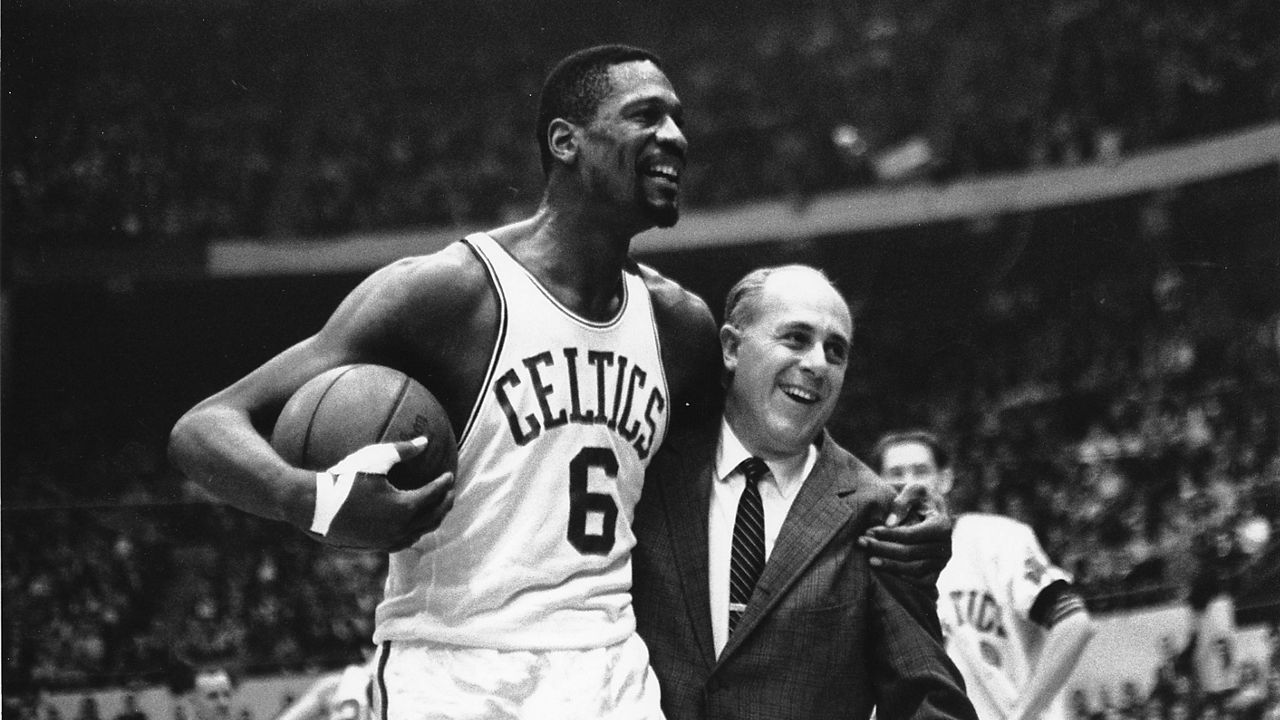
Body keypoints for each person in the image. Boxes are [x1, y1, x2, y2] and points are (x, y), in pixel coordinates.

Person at [170, 44, 945, 719]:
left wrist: (894, 513)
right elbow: (207, 426)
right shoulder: (450, 294)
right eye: (646, 116)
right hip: (454, 666)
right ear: (566, 141)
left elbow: (772, 431)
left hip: (608, 670)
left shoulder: (677, 324)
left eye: (677, 118)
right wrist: (313, 501)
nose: (676, 136)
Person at [632, 265, 976, 720]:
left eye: (836, 351)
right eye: (795, 338)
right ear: (732, 348)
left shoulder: (874, 513)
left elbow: (925, 697)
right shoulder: (649, 469)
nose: (817, 363)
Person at [872, 429, 1098, 720]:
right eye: (895, 473)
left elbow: (1074, 624)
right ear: (876, 485)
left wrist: (1022, 716)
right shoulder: (869, 563)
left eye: (921, 471)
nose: (908, 483)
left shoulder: (997, 540)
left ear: (945, 479)